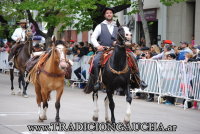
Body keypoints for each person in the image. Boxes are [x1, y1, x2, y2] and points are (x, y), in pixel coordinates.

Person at [91, 7, 146, 91]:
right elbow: (93, 37)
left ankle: (138, 80)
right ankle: (97, 81)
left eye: (110, 13)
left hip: (118, 49)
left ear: (112, 15)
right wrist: (98, 46)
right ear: (104, 15)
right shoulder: (100, 26)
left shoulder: (118, 26)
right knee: (95, 60)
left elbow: (124, 37)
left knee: (133, 57)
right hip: (105, 49)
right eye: (107, 13)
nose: (109, 14)